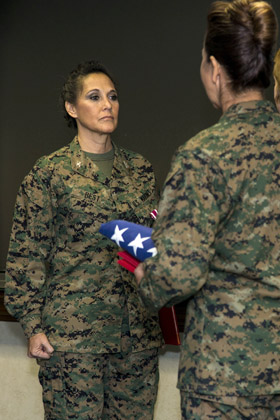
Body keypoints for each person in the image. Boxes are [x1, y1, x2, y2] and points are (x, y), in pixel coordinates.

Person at [135, 0, 280, 418]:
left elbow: (178, 273)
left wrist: (145, 276)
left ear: (216, 71)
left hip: (225, 383)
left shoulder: (203, 155)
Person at [4, 60, 163, 420]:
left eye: (113, 96)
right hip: (74, 342)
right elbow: (26, 255)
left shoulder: (140, 170)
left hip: (136, 339)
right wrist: (32, 325)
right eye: (95, 97)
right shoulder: (49, 173)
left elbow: (153, 245)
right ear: (72, 108)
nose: (108, 104)